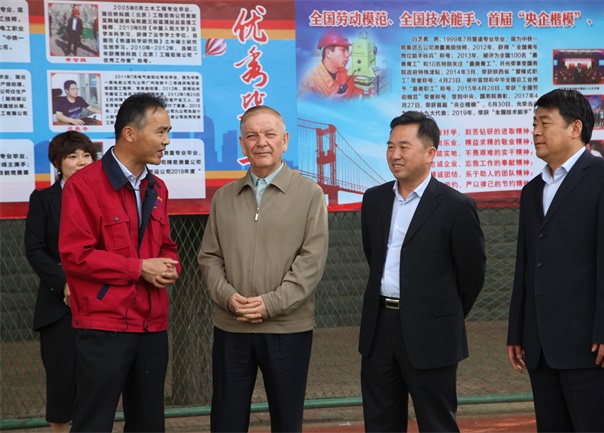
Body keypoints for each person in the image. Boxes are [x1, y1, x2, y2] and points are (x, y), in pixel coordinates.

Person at [507, 89, 604, 432]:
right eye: (534, 123)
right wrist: (517, 330)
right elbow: (526, 265)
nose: (535, 131)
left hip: (593, 347)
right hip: (541, 348)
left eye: (544, 123)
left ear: (575, 128)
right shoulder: (532, 190)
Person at [198, 105, 328, 432]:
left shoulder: (309, 194)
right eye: (252, 136)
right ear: (242, 143)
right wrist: (229, 298)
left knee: (286, 420)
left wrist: (270, 304)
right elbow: (209, 257)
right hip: (232, 326)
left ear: (285, 141)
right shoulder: (224, 197)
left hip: (287, 328)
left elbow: (311, 261)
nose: (261, 142)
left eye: (270, 134)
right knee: (226, 420)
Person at [59, 93, 181, 432]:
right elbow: (76, 255)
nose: (167, 141)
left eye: (168, 132)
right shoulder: (84, 186)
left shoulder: (158, 188)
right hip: (104, 327)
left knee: (148, 423)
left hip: (152, 327)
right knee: (93, 422)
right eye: (160, 132)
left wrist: (170, 265)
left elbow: (167, 246)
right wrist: (140, 268)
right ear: (130, 133)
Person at [358, 111, 486, 432]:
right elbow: (374, 255)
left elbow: (472, 274)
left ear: (430, 154)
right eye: (390, 147)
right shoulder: (374, 200)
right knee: (380, 422)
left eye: (404, 147)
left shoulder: (456, 206)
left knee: (437, 422)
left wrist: (442, 310)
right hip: (379, 329)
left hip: (432, 331)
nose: (395, 155)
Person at [24, 131, 97, 433]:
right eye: (72, 156)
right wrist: (66, 283)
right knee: (61, 381)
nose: (82, 162)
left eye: (87, 155)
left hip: (99, 302)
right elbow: (35, 250)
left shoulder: (104, 198)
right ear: (58, 162)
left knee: (97, 382)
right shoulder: (43, 200)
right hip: (59, 307)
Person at [299, 30, 353, 99]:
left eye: (347, 50)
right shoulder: (309, 81)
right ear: (328, 53)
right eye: (343, 50)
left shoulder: (347, 74)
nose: (348, 54)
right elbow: (302, 104)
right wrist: (328, 103)